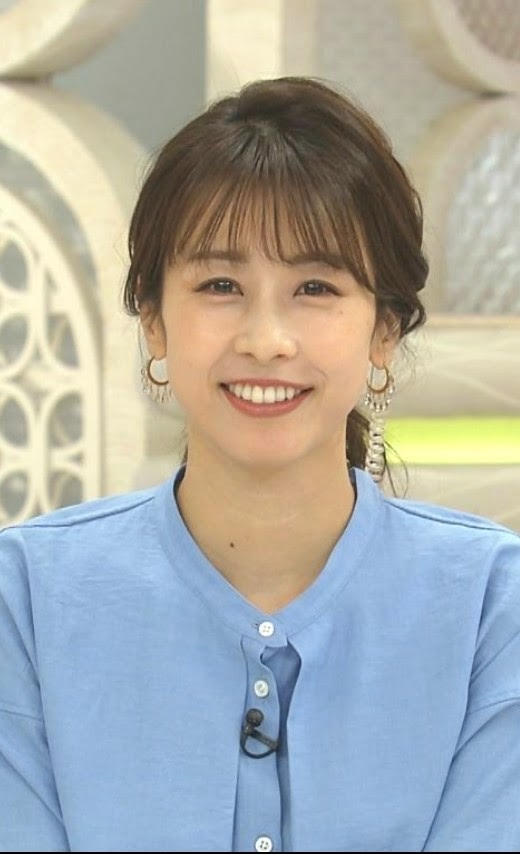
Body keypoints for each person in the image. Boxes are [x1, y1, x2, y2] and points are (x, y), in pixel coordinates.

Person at [0, 75, 519, 854]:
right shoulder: (26, 599)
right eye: (220, 285)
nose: (267, 339)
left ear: (383, 330)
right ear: (153, 320)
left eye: (315, 286)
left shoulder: (492, 605)